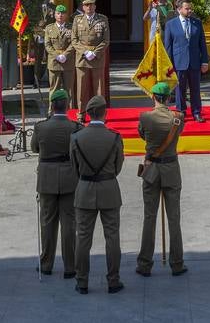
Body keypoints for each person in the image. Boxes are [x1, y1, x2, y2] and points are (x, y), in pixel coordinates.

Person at [70, 95, 124, 295]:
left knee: (83, 238)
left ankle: (82, 281)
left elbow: (74, 167)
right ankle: (113, 280)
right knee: (112, 237)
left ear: (89, 114)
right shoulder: (114, 137)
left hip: (85, 188)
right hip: (109, 187)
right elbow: (118, 166)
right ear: (105, 113)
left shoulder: (76, 137)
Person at [136, 81, 186, 277]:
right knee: (174, 219)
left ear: (153, 97)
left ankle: (144, 264)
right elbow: (177, 135)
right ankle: (177, 263)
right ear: (169, 98)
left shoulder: (145, 117)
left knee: (150, 217)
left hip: (152, 169)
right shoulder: (178, 118)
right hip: (171, 168)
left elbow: (143, 135)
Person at [31, 89, 82, 277]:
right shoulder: (75, 127)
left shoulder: (40, 127)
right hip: (69, 178)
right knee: (69, 223)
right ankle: (70, 266)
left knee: (47, 222)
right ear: (67, 106)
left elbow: (34, 148)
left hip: (47, 179)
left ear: (52, 106)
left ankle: (46, 263)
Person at [164, 0, 209, 122]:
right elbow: (168, 46)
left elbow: (202, 44)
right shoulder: (170, 25)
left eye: (190, 9)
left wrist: (204, 61)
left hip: (195, 62)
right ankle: (181, 112)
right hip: (178, 63)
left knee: (195, 89)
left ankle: (196, 112)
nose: (190, 11)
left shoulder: (197, 23)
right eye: (187, 8)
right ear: (179, 9)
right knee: (180, 90)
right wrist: (169, 64)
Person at [71, 0, 110, 123]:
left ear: (95, 6)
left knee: (98, 89)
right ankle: (81, 114)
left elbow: (106, 40)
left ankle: (99, 115)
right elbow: (74, 40)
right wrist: (85, 52)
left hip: (97, 58)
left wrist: (95, 52)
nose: (89, 7)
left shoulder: (103, 19)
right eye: (86, 5)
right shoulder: (77, 20)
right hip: (82, 59)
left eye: (91, 4)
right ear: (83, 7)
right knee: (82, 89)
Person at [44, 5, 75, 104]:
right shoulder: (49, 28)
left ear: (66, 15)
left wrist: (65, 55)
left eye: (62, 13)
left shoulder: (71, 27)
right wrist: (56, 55)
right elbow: (47, 44)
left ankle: (70, 113)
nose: (60, 15)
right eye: (58, 13)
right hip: (54, 62)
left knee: (69, 89)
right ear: (54, 15)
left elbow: (73, 43)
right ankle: (51, 112)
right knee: (54, 88)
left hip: (68, 61)